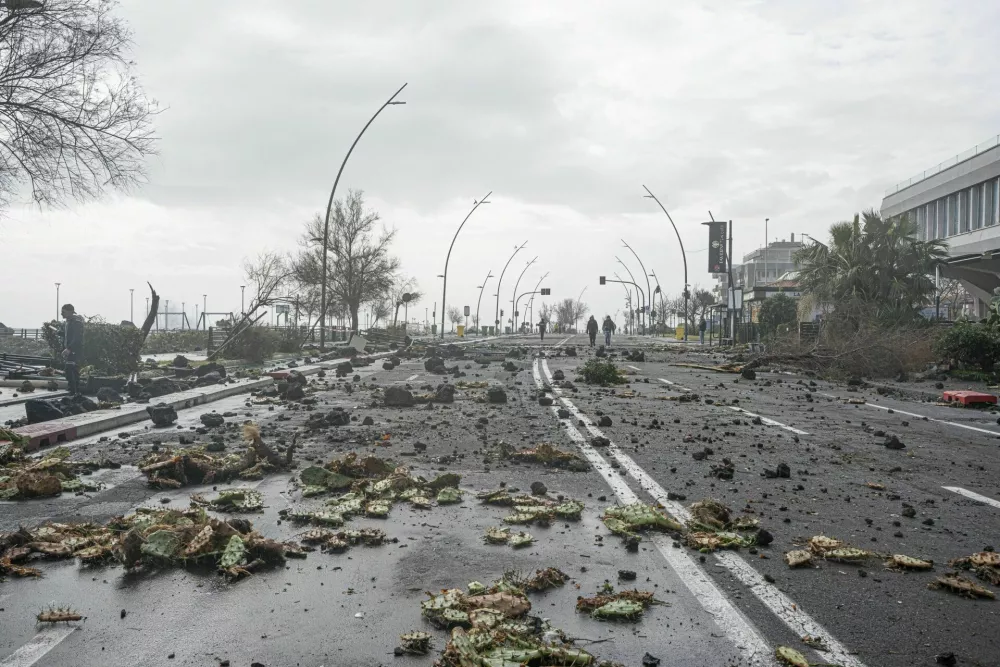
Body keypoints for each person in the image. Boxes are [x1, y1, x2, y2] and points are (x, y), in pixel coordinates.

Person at [61, 303, 85, 395]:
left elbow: (77, 338)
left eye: (63, 312)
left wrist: (69, 349)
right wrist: (60, 333)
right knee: (71, 370)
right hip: (71, 349)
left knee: (70, 369)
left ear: (70, 312)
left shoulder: (76, 322)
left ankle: (74, 391)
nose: (61, 314)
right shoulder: (68, 322)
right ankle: (73, 390)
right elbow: (69, 335)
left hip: (75, 350)